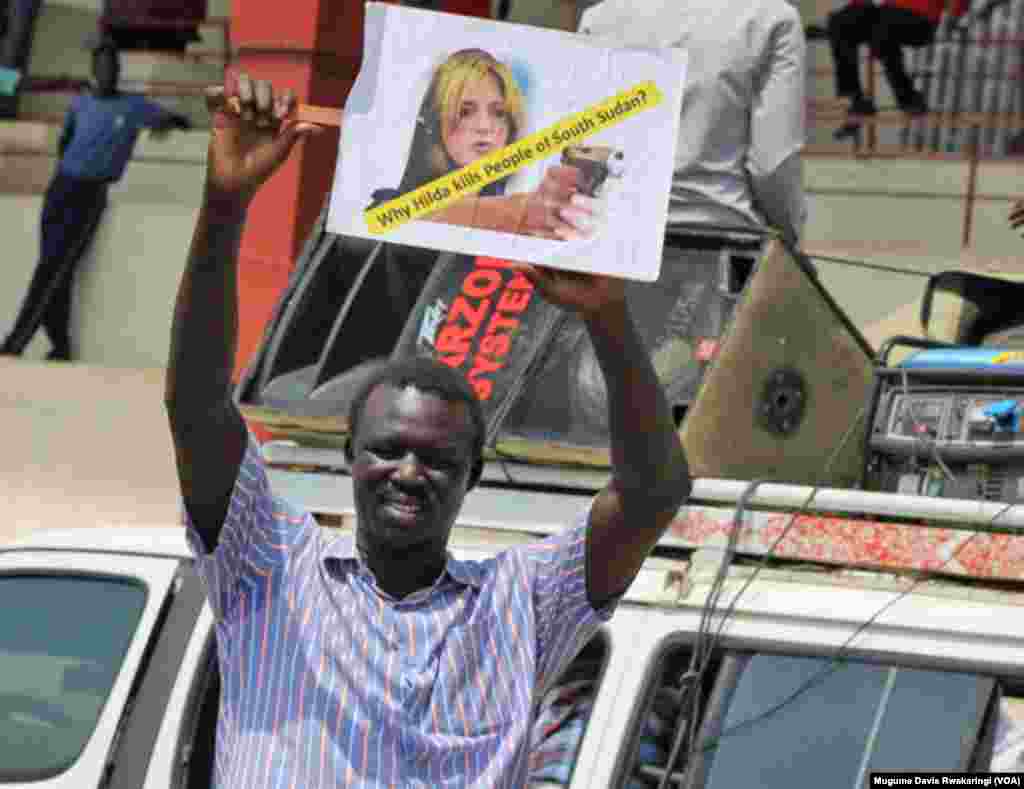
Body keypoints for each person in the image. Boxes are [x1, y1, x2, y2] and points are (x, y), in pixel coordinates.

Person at [163, 71, 691, 787]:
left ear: (471, 475)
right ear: (350, 457)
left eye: (438, 458)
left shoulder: (521, 603)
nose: (409, 471)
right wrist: (224, 206)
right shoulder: (269, 564)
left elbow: (654, 494)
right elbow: (197, 406)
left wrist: (607, 319)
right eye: (388, 449)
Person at [0, 34, 190, 360]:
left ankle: (16, 342)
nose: (107, 72)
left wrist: (169, 124)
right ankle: (60, 345)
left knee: (52, 268)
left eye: (112, 65)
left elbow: (178, 120)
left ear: (118, 69)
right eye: (101, 65)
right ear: (94, 69)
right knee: (54, 267)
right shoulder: (80, 102)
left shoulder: (133, 107)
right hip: (61, 187)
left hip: (90, 192)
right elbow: (66, 141)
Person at [576, 0, 806, 250]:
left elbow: (585, 146)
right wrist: (791, 242)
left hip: (616, 240)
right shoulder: (773, 17)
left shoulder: (598, 19)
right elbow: (771, 165)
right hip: (721, 237)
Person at [371, 48, 596, 241]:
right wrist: (516, 214)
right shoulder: (388, 210)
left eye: (499, 113)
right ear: (433, 120)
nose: (484, 127)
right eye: (465, 112)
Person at [828, 0, 969, 130]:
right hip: (887, 13)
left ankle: (908, 99)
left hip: (921, 20)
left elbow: (957, 6)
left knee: (882, 30)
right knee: (840, 23)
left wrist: (953, 17)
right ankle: (857, 101)